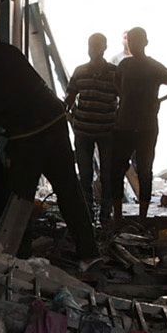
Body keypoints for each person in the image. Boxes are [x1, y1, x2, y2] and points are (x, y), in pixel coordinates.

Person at [0, 17, 98, 264]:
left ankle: (19, 257)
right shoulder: (6, 50)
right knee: (69, 189)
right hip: (55, 121)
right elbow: (20, 91)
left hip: (27, 136)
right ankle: (89, 253)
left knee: (20, 196)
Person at [113, 26, 167, 219]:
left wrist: (161, 100)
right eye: (130, 41)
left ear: (145, 43)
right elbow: (117, 85)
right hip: (133, 124)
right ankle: (120, 215)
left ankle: (140, 216)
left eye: (136, 41)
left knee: (142, 170)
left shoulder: (147, 66)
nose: (133, 45)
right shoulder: (128, 65)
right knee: (122, 169)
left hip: (140, 126)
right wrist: (158, 100)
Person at [65, 32, 127, 231]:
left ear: (104, 48)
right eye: (91, 46)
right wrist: (67, 116)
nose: (93, 50)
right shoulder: (80, 71)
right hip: (83, 131)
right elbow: (69, 98)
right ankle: (88, 216)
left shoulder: (114, 73)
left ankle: (105, 216)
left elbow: (124, 99)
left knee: (107, 175)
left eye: (97, 46)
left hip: (107, 132)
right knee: (85, 175)